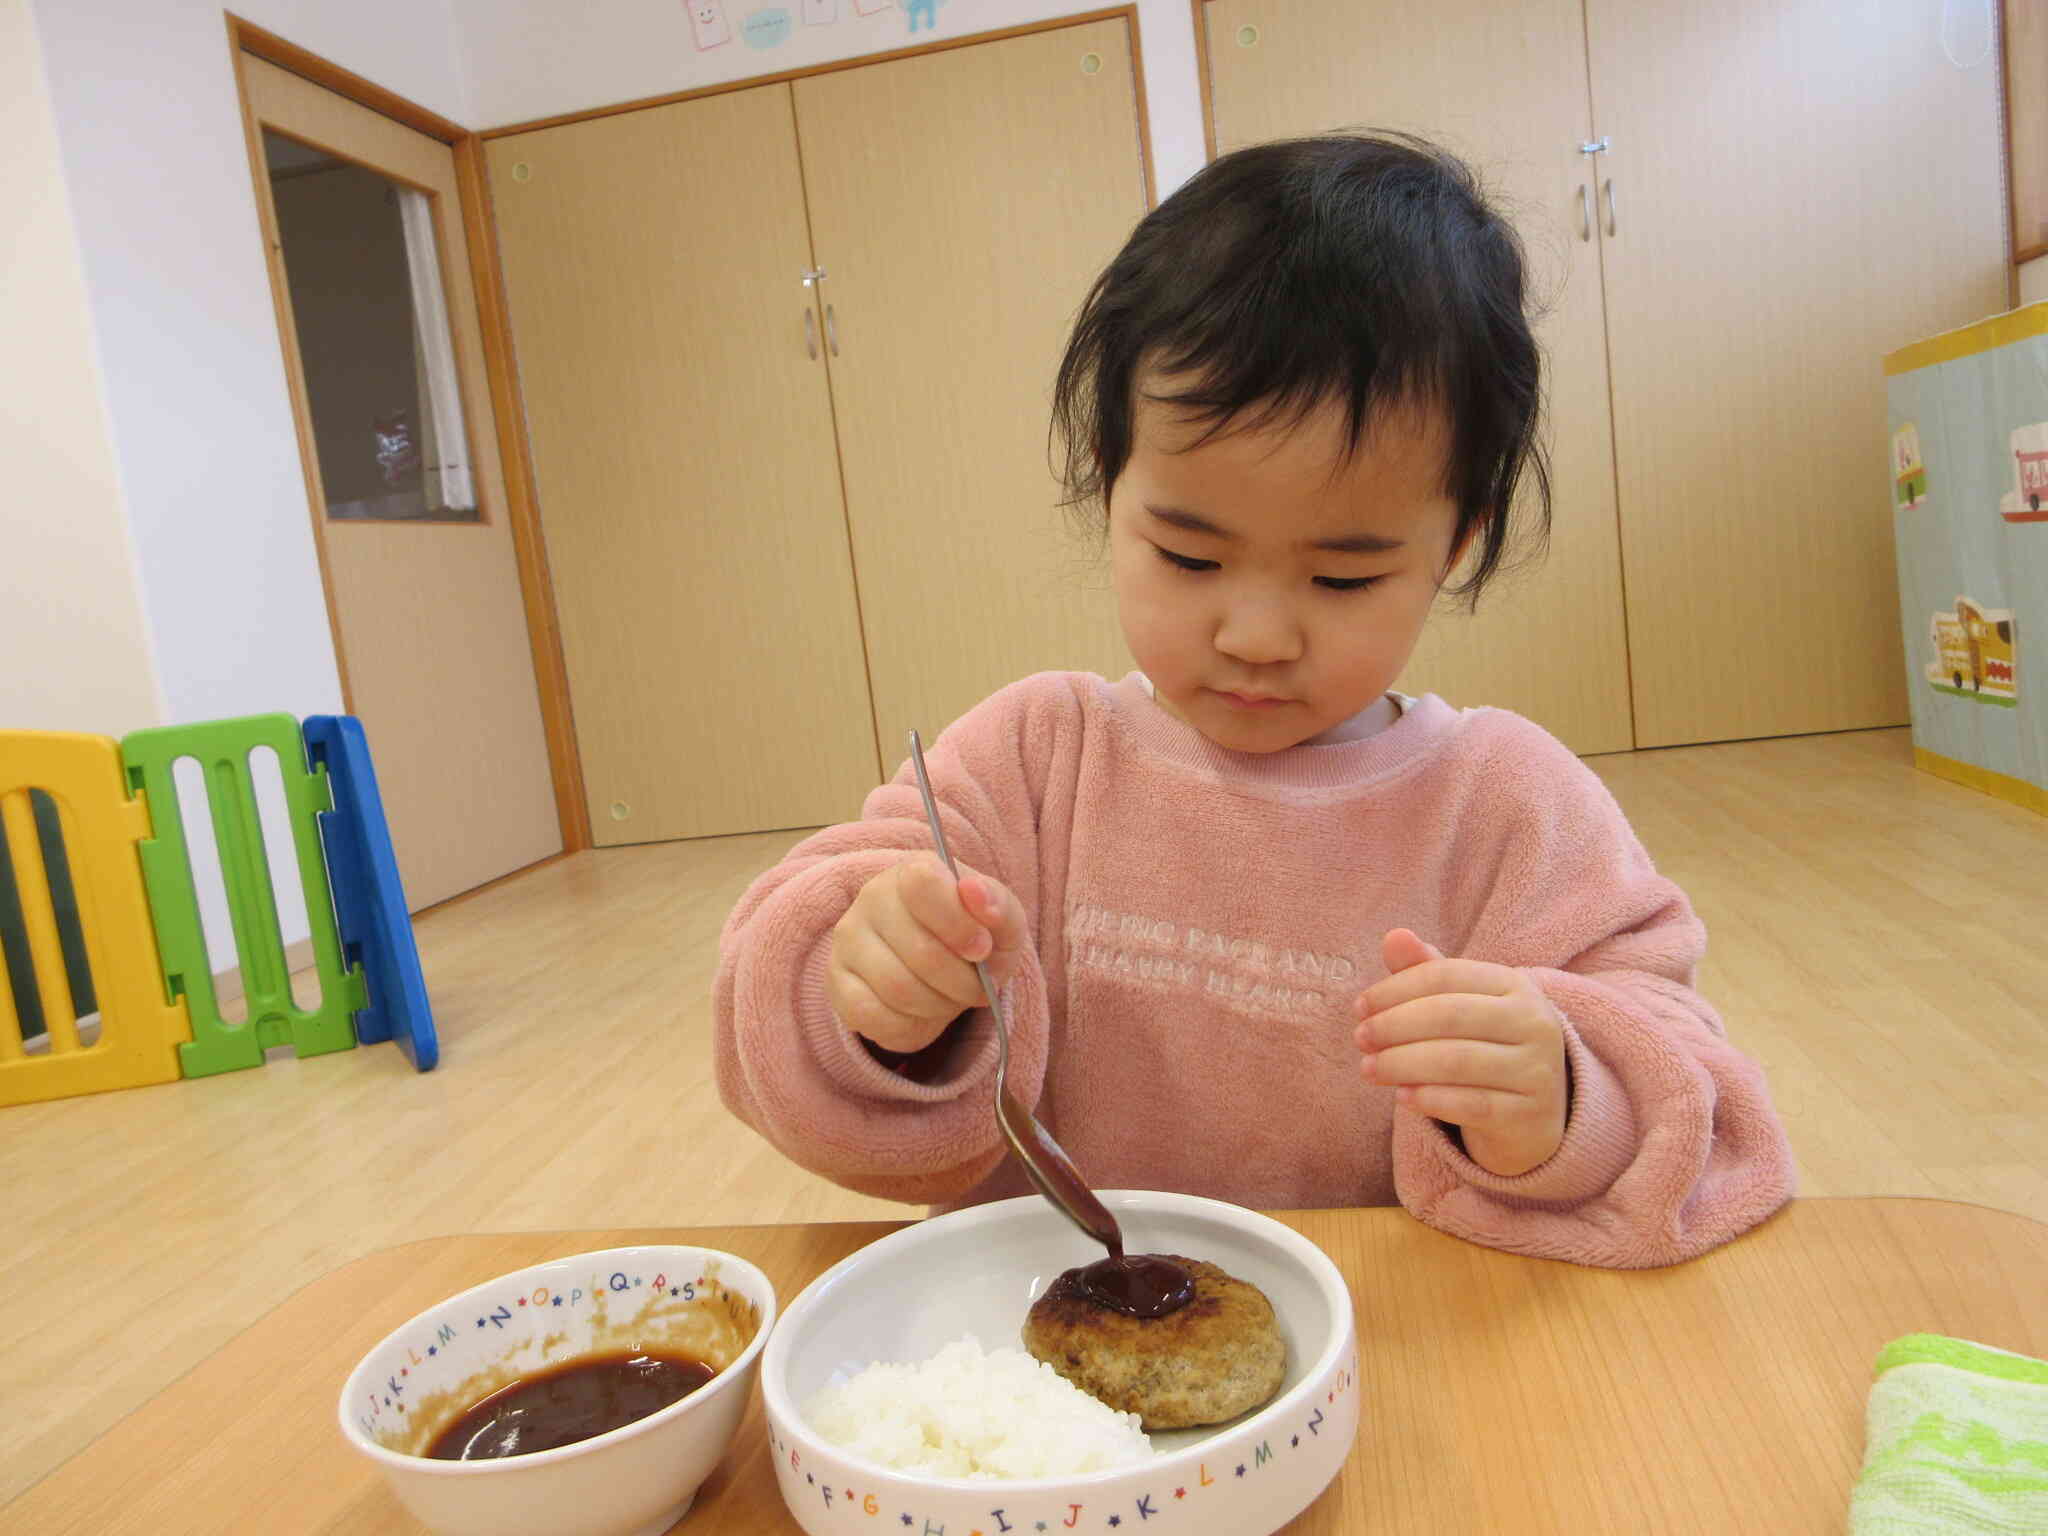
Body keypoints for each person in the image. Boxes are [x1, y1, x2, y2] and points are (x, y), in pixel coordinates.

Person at [714, 133, 1794, 1268]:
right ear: (1109, 479)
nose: (1255, 636)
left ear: (1454, 544)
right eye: (1187, 556)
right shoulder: (1032, 760)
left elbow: (1702, 1115)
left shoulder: (1507, 806)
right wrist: (873, 993)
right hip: (1028, 1363)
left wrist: (1563, 1093)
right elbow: (773, 1010)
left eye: (1342, 578)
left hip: (1390, 1340)